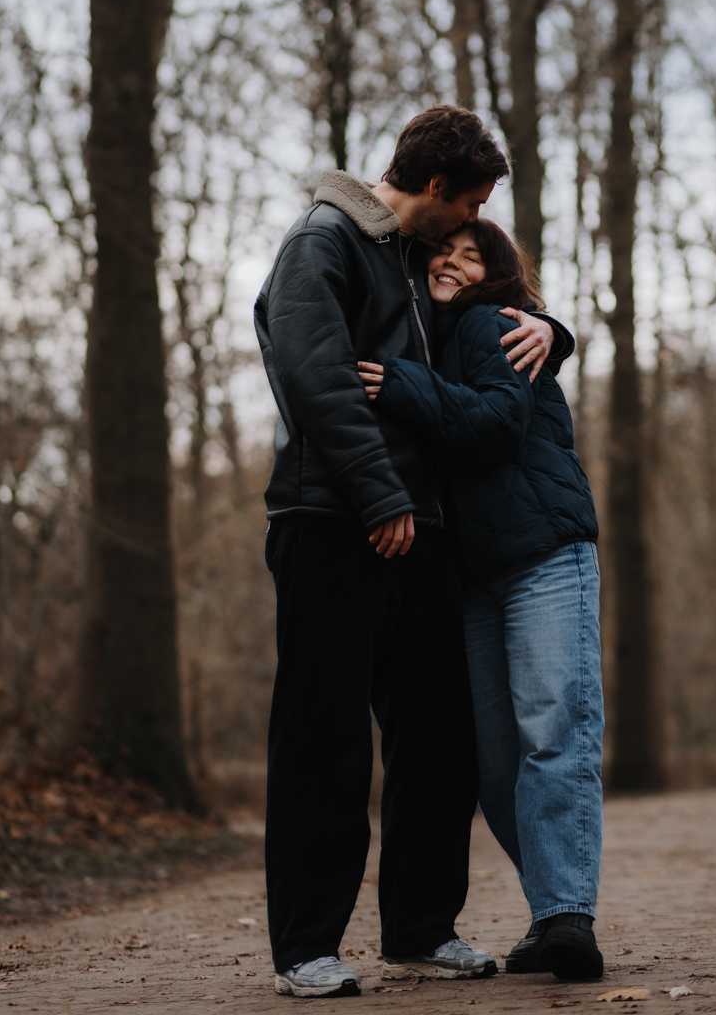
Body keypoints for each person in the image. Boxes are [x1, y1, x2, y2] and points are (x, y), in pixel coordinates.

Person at [254, 106, 569, 999]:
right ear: (434, 189)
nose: (467, 224)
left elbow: (489, 340)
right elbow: (314, 375)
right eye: (466, 204)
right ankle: (306, 947)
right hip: (331, 519)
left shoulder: (416, 257)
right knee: (324, 739)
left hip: (424, 533)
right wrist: (379, 494)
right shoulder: (323, 242)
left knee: (440, 737)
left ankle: (422, 929)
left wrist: (556, 331)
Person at [358, 218, 604, 983]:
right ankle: (549, 912)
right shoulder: (425, 334)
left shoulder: (492, 325)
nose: (453, 263)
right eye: (444, 251)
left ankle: (567, 916)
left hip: (539, 553)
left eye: (472, 256)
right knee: (493, 762)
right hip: (468, 573)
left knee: (553, 731)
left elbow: (497, 425)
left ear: (496, 275)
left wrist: (403, 384)